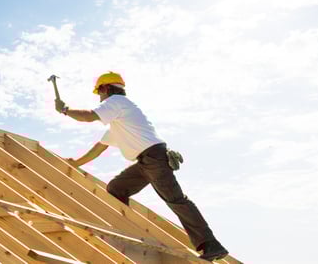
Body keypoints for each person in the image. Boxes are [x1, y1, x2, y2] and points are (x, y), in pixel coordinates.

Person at [55, 71, 229, 262]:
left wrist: (65, 110)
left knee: (176, 200)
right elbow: (99, 148)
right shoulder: (120, 121)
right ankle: (127, 228)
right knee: (117, 188)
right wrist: (75, 163)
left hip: (154, 158)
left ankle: (212, 246)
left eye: (99, 93)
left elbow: (89, 116)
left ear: (105, 88)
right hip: (146, 161)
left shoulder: (117, 103)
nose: (100, 97)